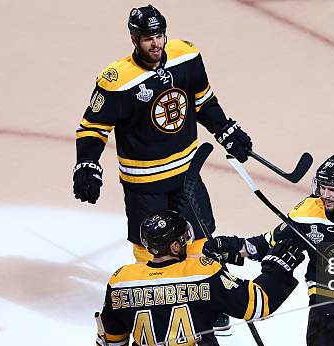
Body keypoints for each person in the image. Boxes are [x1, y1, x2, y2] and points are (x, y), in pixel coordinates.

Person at [72, 5, 253, 263]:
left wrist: (225, 130)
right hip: (144, 184)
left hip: (187, 174)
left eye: (159, 36)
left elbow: (203, 101)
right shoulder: (117, 80)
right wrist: (87, 163)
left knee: (201, 244)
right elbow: (93, 127)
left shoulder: (186, 56)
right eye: (148, 39)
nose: (156, 44)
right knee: (151, 255)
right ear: (134, 39)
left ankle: (202, 298)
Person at [203, 154, 334, 346]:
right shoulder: (308, 212)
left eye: (333, 189)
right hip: (326, 314)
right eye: (322, 187)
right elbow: (265, 243)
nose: (325, 194)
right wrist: (232, 246)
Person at [95, 209, 304, 346]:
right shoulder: (202, 271)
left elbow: (111, 334)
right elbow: (257, 303)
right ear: (175, 246)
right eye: (184, 238)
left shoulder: (122, 279)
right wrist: (277, 269)